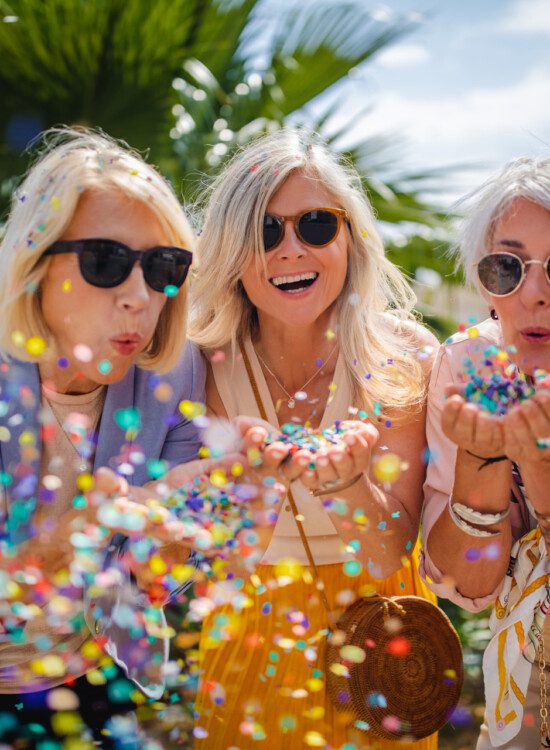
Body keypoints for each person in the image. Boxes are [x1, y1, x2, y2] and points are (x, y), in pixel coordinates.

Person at [189, 128, 439, 749]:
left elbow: (387, 556)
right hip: (246, 652)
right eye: (265, 231)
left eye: (316, 226)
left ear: (350, 237)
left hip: (385, 655)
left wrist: (345, 484)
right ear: (230, 248)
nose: (290, 250)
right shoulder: (196, 365)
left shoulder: (404, 356)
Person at [0, 127, 211, 748]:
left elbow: (147, 581)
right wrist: (73, 539)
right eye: (106, 261)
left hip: (93, 673)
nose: (140, 297)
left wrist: (179, 536)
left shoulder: (174, 370)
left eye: (165, 267)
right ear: (34, 265)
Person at [421, 157, 550, 749]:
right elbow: (466, 585)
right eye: (508, 267)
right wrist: (481, 467)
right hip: (525, 684)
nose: (536, 294)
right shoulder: (469, 367)